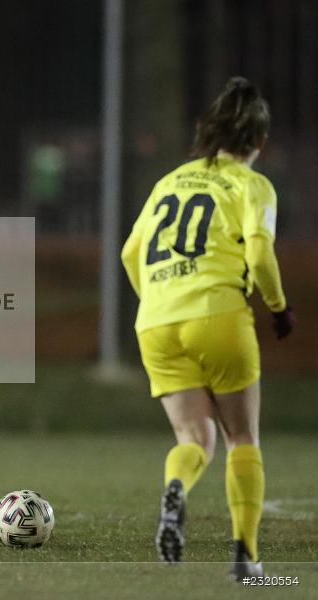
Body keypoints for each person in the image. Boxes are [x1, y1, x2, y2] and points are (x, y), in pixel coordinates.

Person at [121, 77, 294, 581]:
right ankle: (246, 558)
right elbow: (260, 255)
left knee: (193, 436)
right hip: (218, 314)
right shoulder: (252, 184)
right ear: (259, 142)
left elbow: (131, 252)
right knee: (242, 438)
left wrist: (158, 297)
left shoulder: (170, 181)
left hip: (155, 321)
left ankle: (176, 489)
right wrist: (280, 308)